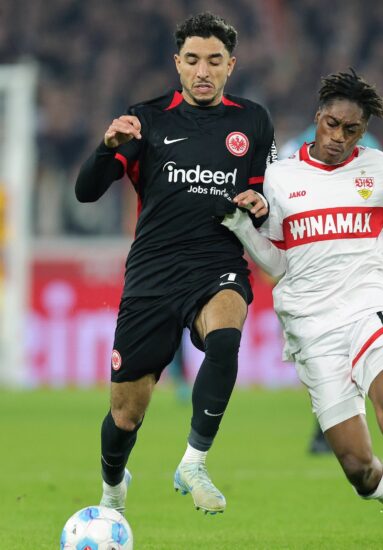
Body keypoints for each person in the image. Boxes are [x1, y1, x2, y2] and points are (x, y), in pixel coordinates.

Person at [219, 68, 383, 549]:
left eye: (352, 130)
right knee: (360, 469)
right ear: (317, 117)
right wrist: (243, 229)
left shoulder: (379, 170)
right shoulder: (280, 178)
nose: (339, 138)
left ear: (363, 132)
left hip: (371, 310)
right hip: (312, 327)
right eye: (332, 125)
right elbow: (277, 263)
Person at [75, 12, 275, 516]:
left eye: (214, 60)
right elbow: (86, 192)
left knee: (225, 338)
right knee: (126, 415)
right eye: (192, 60)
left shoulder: (253, 121)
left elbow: (262, 199)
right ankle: (113, 487)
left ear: (231, 65)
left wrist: (260, 205)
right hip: (153, 273)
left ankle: (194, 461)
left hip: (216, 262)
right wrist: (105, 148)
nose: (203, 71)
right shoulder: (146, 119)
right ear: (177, 64)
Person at [280, 124, 383, 454]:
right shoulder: (297, 146)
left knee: (352, 353)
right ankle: (329, 425)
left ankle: (330, 428)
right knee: (323, 356)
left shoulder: (371, 147)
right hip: (313, 269)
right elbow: (279, 199)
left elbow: (382, 197)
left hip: (355, 267)